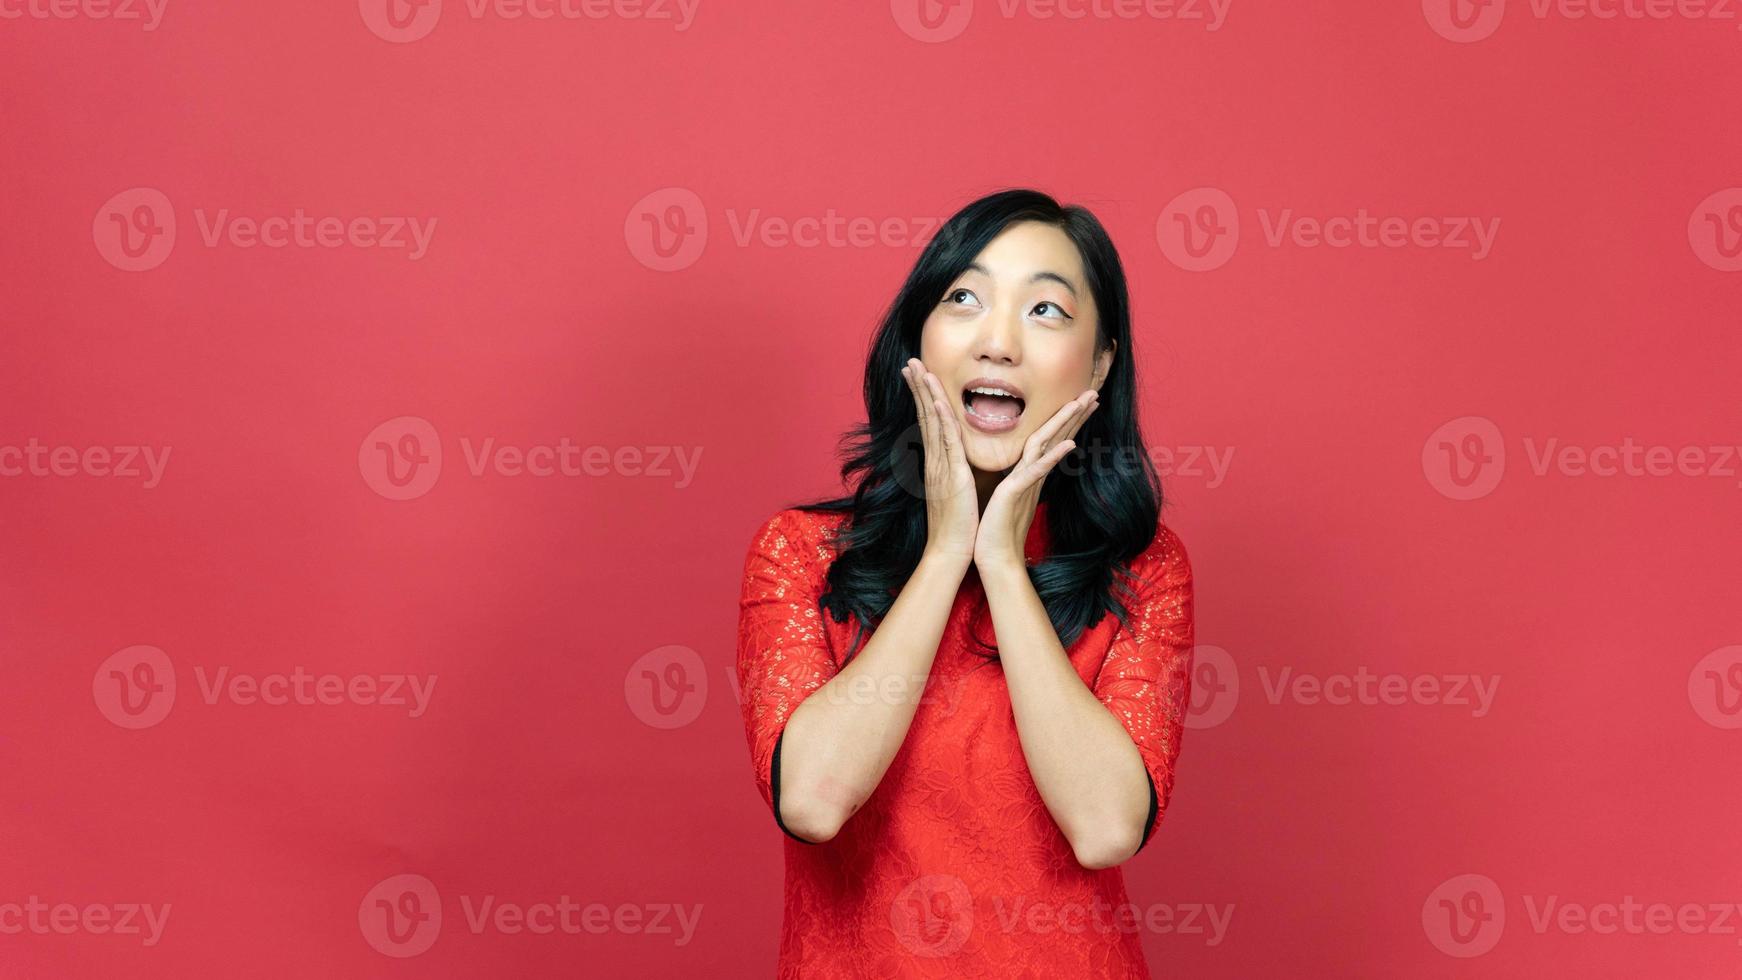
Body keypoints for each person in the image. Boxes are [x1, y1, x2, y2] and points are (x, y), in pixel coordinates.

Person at [735, 187, 1195, 978]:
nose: (998, 342)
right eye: (964, 298)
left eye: (1046, 310)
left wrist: (1003, 565)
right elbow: (812, 801)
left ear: (1101, 361)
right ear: (918, 338)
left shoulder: (1143, 571)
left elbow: (1104, 825)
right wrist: (947, 551)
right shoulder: (802, 554)